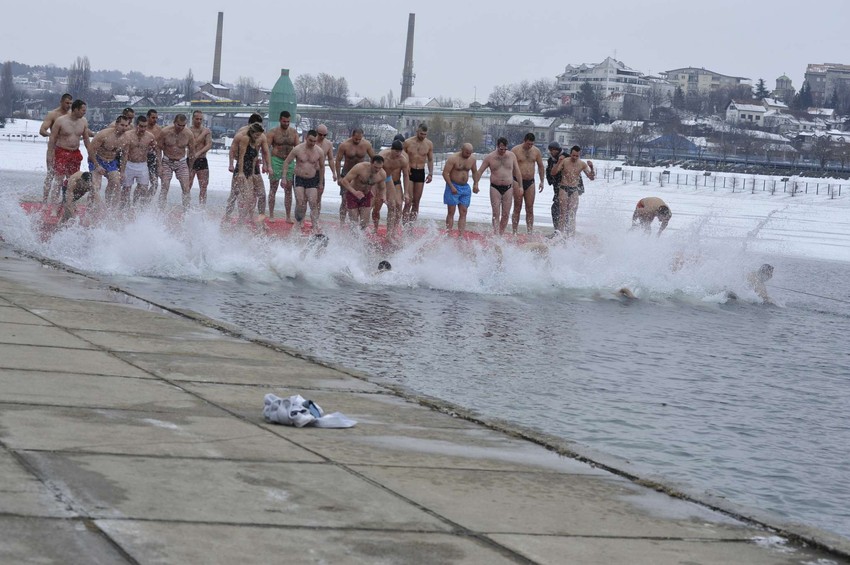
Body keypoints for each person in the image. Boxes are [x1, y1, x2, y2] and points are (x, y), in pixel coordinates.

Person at [224, 113, 271, 220]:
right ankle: (228, 216)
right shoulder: (241, 135)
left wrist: (268, 166)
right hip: (241, 167)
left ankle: (260, 220)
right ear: (250, 125)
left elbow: (266, 151)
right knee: (235, 194)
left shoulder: (261, 135)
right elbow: (233, 151)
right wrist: (231, 164)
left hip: (254, 167)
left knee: (262, 195)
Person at [47, 99, 92, 205]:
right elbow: (52, 139)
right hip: (61, 152)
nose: (84, 112)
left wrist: (90, 154)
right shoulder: (60, 121)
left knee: (73, 180)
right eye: (82, 110)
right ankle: (53, 206)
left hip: (75, 153)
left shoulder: (84, 121)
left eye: (85, 111)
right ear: (75, 109)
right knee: (58, 180)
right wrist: (50, 154)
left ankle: (69, 203)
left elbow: (86, 139)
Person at [474, 137, 522, 235]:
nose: (503, 151)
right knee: (496, 213)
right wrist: (476, 183)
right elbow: (480, 171)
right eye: (501, 149)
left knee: (506, 214)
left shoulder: (511, 156)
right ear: (497, 146)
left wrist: (521, 186)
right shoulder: (490, 157)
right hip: (495, 187)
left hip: (508, 187)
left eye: (505, 149)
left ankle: (501, 233)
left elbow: (517, 171)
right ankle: (496, 234)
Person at [282, 129, 326, 233]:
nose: (313, 143)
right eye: (311, 141)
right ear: (306, 138)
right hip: (299, 178)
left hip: (312, 179)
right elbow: (287, 162)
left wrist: (320, 183)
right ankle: (298, 224)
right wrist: (284, 177)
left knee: (313, 203)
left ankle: (314, 226)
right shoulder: (298, 149)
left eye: (315, 141)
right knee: (300, 201)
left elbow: (322, 167)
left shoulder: (319, 151)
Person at [551, 145, 595, 237]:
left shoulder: (582, 164)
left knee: (572, 214)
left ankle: (571, 236)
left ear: (579, 155)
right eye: (573, 155)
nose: (575, 157)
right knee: (562, 213)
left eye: (577, 156)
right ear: (570, 154)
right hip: (564, 188)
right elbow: (553, 173)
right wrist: (559, 162)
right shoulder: (565, 161)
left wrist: (592, 167)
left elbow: (591, 177)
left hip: (574, 189)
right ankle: (560, 235)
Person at [88, 115, 131, 207]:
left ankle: (111, 208)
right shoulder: (104, 134)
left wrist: (122, 171)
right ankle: (90, 207)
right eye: (122, 125)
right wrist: (97, 165)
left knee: (116, 184)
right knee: (96, 186)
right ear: (116, 124)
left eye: (126, 126)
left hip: (111, 162)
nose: (124, 128)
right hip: (97, 159)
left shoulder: (126, 139)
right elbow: (91, 150)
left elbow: (124, 156)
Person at [334, 128, 375, 223]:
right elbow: (338, 160)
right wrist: (339, 176)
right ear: (352, 136)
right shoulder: (344, 145)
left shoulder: (366, 145)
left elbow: (374, 159)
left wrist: (371, 175)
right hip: (347, 174)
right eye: (356, 139)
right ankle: (342, 222)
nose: (357, 141)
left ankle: (359, 221)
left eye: (359, 139)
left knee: (362, 198)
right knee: (344, 199)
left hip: (361, 175)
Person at [157, 114, 196, 210]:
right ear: (174, 123)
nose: (181, 128)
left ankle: (187, 211)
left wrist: (190, 168)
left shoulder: (188, 134)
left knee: (186, 188)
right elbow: (158, 148)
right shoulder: (165, 132)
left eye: (183, 125)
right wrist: (159, 165)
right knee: (165, 186)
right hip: (167, 161)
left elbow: (192, 152)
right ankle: (160, 211)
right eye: (179, 125)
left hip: (181, 162)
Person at [39, 93, 72, 203]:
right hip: (54, 148)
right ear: (61, 102)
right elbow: (42, 130)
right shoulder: (53, 114)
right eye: (67, 103)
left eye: (71, 103)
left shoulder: (72, 115)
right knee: (50, 174)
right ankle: (44, 201)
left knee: (66, 176)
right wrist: (51, 136)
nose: (69, 105)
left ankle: (63, 201)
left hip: (67, 150)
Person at [267, 111, 300, 220]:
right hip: (276, 160)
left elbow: (298, 149)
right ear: (280, 120)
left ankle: (288, 216)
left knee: (288, 189)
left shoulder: (294, 132)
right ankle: (271, 214)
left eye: (288, 122)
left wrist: (298, 165)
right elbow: (266, 149)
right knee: (273, 188)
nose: (286, 123)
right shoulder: (273, 132)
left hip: (289, 161)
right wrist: (267, 164)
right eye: (284, 121)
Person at [511, 133, 545, 234]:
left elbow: (541, 166)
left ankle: (529, 232)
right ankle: (514, 232)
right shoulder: (515, 150)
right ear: (524, 141)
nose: (529, 146)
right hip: (517, 181)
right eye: (528, 144)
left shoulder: (536, 151)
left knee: (530, 208)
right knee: (517, 207)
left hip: (530, 182)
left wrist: (542, 181)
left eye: (531, 144)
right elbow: (509, 166)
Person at [339, 155, 386, 229]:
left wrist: (383, 196)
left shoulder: (382, 174)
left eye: (380, 168)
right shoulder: (360, 167)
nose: (377, 170)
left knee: (364, 223)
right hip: (352, 194)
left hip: (366, 195)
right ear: (371, 163)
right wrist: (355, 192)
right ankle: (352, 239)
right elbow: (344, 181)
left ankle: (360, 239)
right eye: (375, 167)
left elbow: (382, 187)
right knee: (354, 222)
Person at [376, 138, 410, 238]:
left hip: (391, 181)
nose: (398, 153)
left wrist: (406, 192)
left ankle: (390, 233)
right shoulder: (382, 156)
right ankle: (374, 228)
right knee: (376, 206)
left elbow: (406, 175)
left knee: (395, 205)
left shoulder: (402, 160)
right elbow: (374, 170)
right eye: (396, 151)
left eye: (400, 151)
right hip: (379, 181)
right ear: (391, 149)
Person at [442, 143, 478, 236]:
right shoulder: (453, 158)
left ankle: (461, 235)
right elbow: (445, 173)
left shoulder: (472, 159)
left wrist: (476, 184)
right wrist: (451, 186)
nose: (468, 155)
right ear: (461, 149)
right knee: (451, 211)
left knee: (464, 211)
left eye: (470, 153)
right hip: (453, 185)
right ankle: (448, 233)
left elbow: (474, 172)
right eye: (466, 153)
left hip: (465, 187)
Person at [402, 123, 434, 223]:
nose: (423, 136)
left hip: (420, 172)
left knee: (416, 202)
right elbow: (402, 156)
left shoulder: (428, 144)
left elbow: (430, 159)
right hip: (410, 172)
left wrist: (430, 173)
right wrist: (405, 167)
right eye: (421, 134)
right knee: (408, 201)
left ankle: (411, 226)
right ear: (417, 131)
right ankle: (404, 224)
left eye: (425, 134)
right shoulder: (408, 142)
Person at [122, 115, 157, 206]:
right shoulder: (128, 135)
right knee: (126, 188)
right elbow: (124, 154)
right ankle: (124, 208)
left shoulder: (150, 136)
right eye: (141, 126)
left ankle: (135, 205)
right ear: (136, 125)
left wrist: (155, 163)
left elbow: (156, 149)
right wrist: (122, 170)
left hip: (142, 164)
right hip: (129, 164)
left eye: (145, 126)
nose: (143, 129)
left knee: (143, 188)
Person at [233, 123, 264, 222]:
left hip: (249, 171)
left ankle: (241, 220)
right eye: (257, 135)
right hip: (241, 170)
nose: (258, 137)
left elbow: (254, 158)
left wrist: (253, 173)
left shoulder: (254, 141)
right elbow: (241, 156)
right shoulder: (245, 139)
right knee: (240, 196)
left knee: (250, 199)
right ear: (252, 132)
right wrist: (241, 172)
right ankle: (235, 219)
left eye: (259, 135)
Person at [188, 110, 213, 206]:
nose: (199, 121)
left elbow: (209, 144)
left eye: (201, 119)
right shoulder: (189, 130)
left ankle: (201, 208)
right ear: (193, 119)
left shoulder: (206, 131)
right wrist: (202, 134)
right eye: (197, 119)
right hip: (190, 160)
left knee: (203, 186)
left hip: (202, 160)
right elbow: (192, 144)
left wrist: (199, 153)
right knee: (187, 186)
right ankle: (186, 207)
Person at [315, 124, 337, 214]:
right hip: (309, 171)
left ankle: (316, 219)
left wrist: (334, 173)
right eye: (320, 134)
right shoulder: (311, 141)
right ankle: (302, 220)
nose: (322, 137)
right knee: (305, 198)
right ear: (317, 133)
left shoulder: (328, 144)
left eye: (325, 135)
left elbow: (331, 159)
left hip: (320, 172)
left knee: (318, 198)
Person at [545, 141, 564, 232]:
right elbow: (549, 171)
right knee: (555, 209)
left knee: (563, 210)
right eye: (551, 150)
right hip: (557, 189)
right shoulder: (551, 160)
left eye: (555, 150)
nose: (553, 152)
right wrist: (550, 179)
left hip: (566, 187)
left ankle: (564, 231)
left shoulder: (565, 157)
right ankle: (557, 230)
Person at [145, 109, 162, 196]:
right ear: (148, 117)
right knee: (143, 184)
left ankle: (146, 203)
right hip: (142, 158)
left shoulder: (158, 129)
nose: (155, 120)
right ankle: (137, 203)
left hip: (153, 158)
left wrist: (159, 164)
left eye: (156, 118)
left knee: (155, 184)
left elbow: (159, 148)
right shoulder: (142, 127)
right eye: (153, 117)